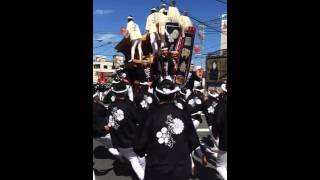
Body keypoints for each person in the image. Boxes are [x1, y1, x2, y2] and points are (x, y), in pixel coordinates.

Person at [134, 79, 205, 180]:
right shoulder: (184, 114)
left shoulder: (149, 116)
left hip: (157, 169)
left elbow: (139, 146)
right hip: (181, 169)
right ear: (174, 94)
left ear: (157, 95)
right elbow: (193, 141)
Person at [107, 82, 145, 180]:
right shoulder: (129, 106)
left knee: (134, 160)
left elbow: (111, 124)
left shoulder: (111, 107)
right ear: (125, 92)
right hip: (132, 139)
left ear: (114, 93)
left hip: (119, 140)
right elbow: (138, 120)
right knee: (139, 159)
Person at [211, 82, 227, 180]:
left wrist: (215, 134)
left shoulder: (221, 106)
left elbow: (217, 122)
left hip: (225, 139)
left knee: (220, 166)